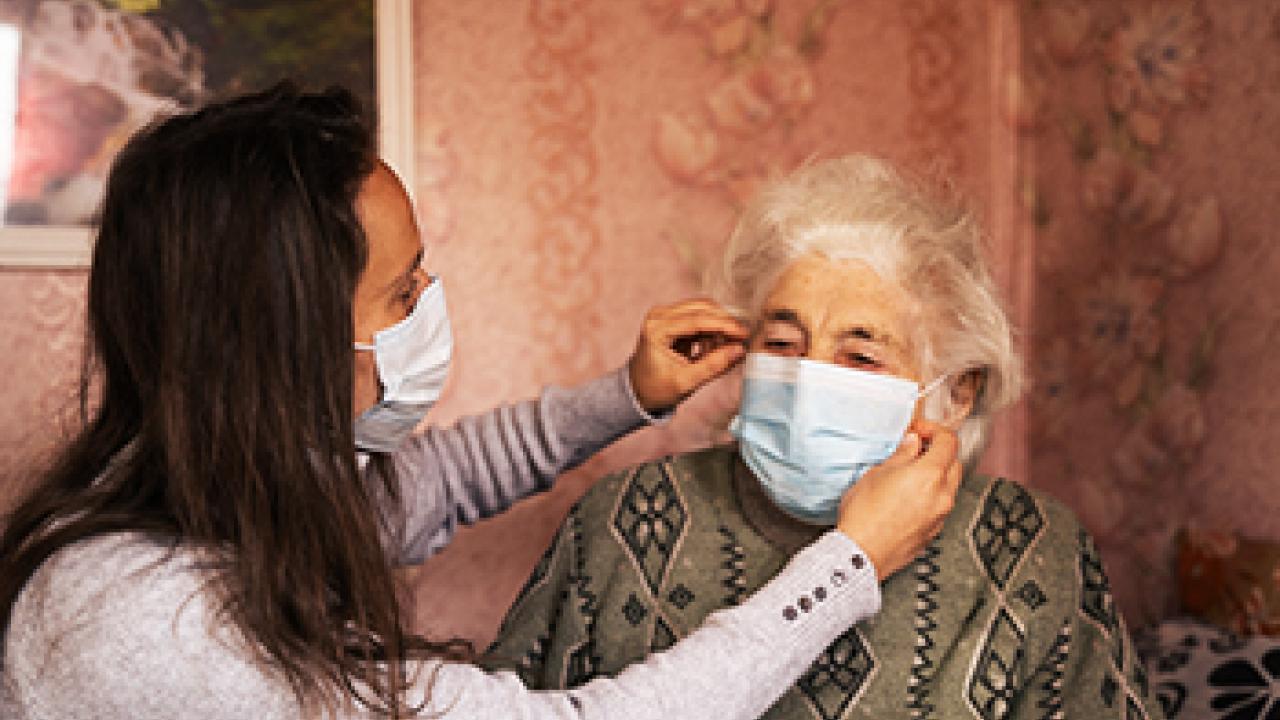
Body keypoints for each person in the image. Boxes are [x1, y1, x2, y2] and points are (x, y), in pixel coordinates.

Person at [0, 85, 965, 720]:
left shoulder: (236, 499)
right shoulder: (147, 626)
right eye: (402, 293)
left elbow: (437, 482)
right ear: (283, 344)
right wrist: (851, 563)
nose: (431, 306)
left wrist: (626, 396)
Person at [490, 155, 1167, 719]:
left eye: (861, 358)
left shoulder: (1029, 548)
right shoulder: (622, 521)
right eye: (782, 343)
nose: (809, 382)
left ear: (955, 392)